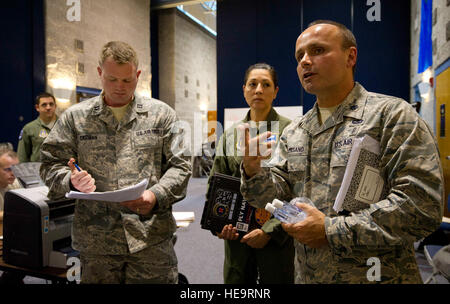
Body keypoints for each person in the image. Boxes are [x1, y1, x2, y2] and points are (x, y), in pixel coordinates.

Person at [240, 20, 444, 283]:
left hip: (375, 277)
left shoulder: (391, 116)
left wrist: (330, 230)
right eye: (299, 55)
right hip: (310, 276)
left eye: (317, 50)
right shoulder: (296, 131)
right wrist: (253, 170)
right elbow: (272, 196)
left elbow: (421, 208)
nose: (305, 61)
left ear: (351, 56)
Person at [39, 41, 192, 284]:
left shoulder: (162, 115)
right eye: (112, 79)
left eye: (127, 80)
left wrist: (155, 196)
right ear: (100, 72)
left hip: (150, 238)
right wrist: (71, 179)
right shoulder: (75, 118)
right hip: (97, 242)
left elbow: (181, 166)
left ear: (138, 75)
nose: (120, 87)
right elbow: (50, 165)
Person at [208, 63, 294, 284]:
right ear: (244, 89)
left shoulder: (292, 132)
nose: (258, 90)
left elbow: (299, 188)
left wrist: (269, 232)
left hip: (277, 238)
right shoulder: (229, 136)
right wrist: (219, 224)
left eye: (266, 84)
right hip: (237, 235)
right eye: (253, 84)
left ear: (275, 91)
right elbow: (217, 184)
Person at [17, 93, 58, 162]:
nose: (48, 107)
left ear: (55, 106)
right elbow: (22, 156)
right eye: (44, 105)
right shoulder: (29, 128)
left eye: (51, 104)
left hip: (61, 170)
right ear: (37, 108)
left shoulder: (65, 125)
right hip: (37, 170)